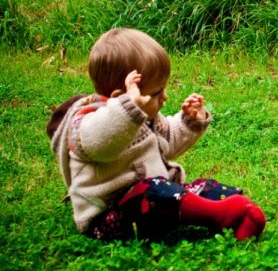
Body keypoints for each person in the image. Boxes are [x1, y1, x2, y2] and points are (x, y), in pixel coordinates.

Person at [47, 28, 266, 241]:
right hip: (111, 215)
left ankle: (235, 209)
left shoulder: (144, 116)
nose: (165, 97)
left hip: (157, 194)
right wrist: (128, 109)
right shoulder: (89, 123)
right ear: (123, 96)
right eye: (156, 92)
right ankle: (216, 213)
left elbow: (168, 140)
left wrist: (189, 121)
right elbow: (101, 144)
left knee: (200, 187)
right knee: (156, 193)